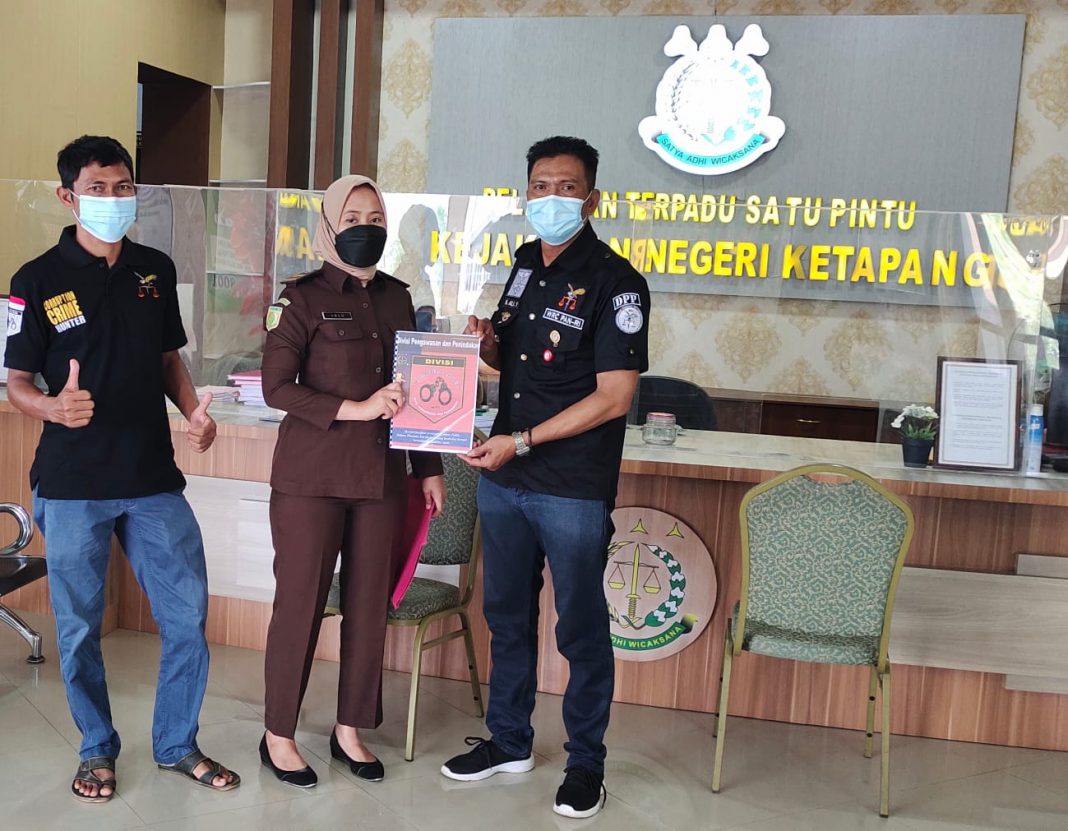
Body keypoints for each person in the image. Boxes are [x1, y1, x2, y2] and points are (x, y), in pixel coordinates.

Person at [3, 135, 239, 802]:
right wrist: (52, 406)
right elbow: (16, 382)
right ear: (68, 196)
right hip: (73, 483)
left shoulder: (153, 269)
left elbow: (168, 360)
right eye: (97, 188)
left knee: (187, 616)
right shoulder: (35, 279)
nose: (113, 198)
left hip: (151, 479)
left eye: (123, 186)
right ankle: (96, 748)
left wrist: (193, 413)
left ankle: (177, 743)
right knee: (78, 629)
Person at [441, 136, 650, 818]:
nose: (551, 197)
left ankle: (586, 763)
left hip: (571, 485)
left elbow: (615, 396)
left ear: (592, 199)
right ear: (525, 193)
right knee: (506, 615)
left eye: (567, 186)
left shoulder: (618, 282)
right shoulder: (526, 263)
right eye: (540, 185)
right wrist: (485, 344)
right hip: (506, 479)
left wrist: (522, 441)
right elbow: (516, 363)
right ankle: (509, 741)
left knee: (580, 627)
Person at [259, 174, 446, 787]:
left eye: (376, 218)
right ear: (329, 226)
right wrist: (357, 408)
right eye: (353, 218)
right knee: (300, 606)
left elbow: (415, 391)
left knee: (369, 608)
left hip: (380, 480)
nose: (366, 228)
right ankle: (278, 734)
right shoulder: (299, 299)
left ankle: (349, 730)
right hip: (310, 480)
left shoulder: (397, 298)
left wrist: (429, 469)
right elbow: (276, 387)